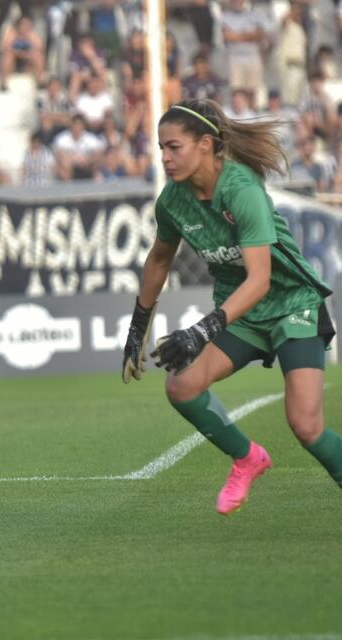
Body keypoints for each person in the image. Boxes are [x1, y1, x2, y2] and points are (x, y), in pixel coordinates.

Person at [122, 99, 341, 516]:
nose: (165, 158)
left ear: (205, 144)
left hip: (292, 305)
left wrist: (201, 330)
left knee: (306, 426)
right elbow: (160, 259)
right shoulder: (172, 201)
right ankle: (248, 458)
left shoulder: (241, 190)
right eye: (161, 148)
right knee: (182, 387)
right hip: (242, 314)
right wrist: (138, 326)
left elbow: (259, 279)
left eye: (174, 147)